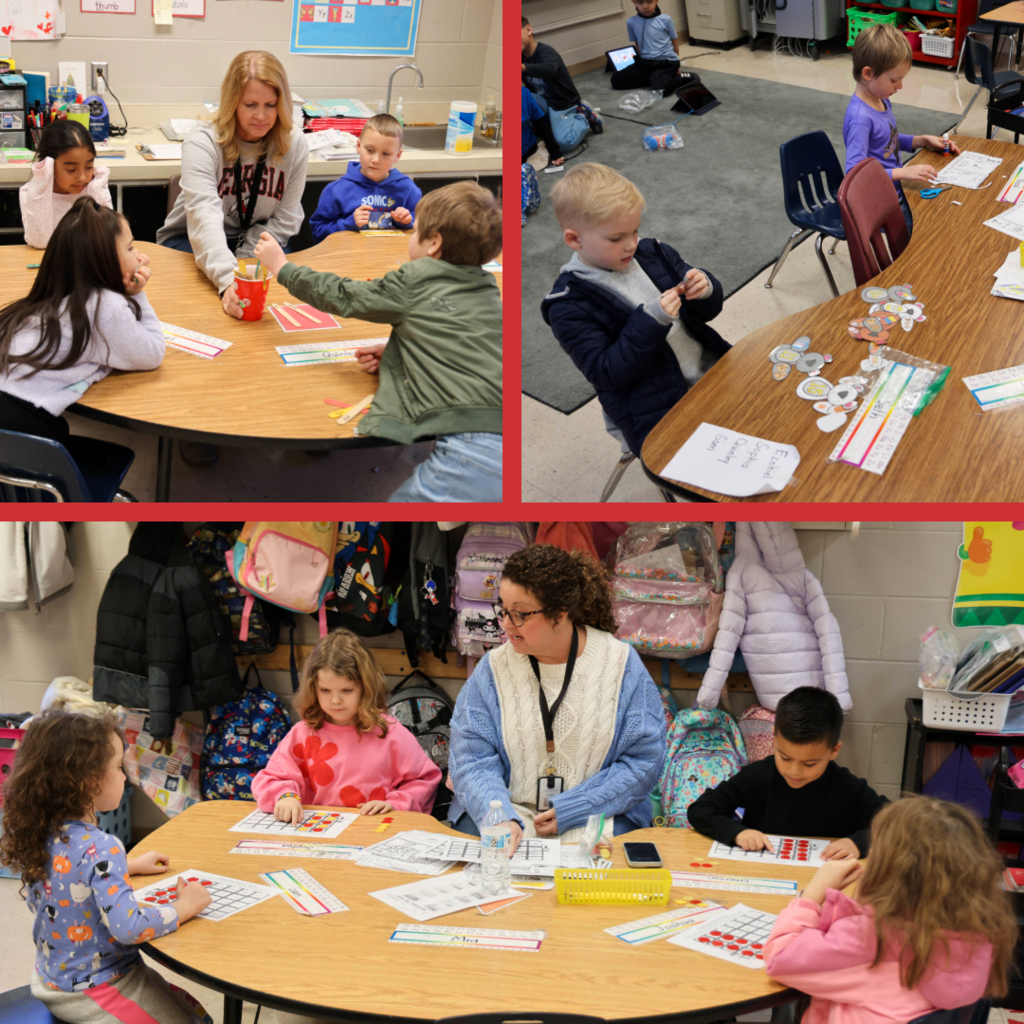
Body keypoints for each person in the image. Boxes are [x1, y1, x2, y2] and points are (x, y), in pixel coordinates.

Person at [253, 181, 502, 502]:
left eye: (415, 232)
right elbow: (467, 345)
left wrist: (282, 268)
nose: (411, 237)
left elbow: (345, 295)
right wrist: (403, 352)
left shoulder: (415, 279)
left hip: (471, 453)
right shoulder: (487, 288)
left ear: (433, 244)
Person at [446, 544, 666, 848]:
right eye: (503, 609)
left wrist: (577, 807)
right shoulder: (493, 669)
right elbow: (471, 758)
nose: (506, 624)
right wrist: (500, 816)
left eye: (520, 614)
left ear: (560, 615)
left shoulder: (621, 666)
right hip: (510, 816)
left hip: (597, 814)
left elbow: (644, 761)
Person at [0, 711, 212, 1024]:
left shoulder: (41, 829)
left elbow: (67, 869)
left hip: (51, 977)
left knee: (191, 1008)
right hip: (97, 988)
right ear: (88, 780)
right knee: (195, 1020)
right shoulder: (102, 846)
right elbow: (130, 928)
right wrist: (184, 906)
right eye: (118, 767)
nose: (125, 777)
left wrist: (129, 864)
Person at [764, 796, 1019, 1024]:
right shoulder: (977, 935)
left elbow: (780, 958)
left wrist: (812, 894)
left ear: (889, 873)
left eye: (876, 852)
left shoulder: (872, 939)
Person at [541, 162, 730, 458]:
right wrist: (651, 321)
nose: (631, 245)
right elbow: (607, 373)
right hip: (656, 411)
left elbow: (708, 312)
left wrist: (705, 288)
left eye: (635, 231)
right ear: (574, 239)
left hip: (715, 373)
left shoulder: (654, 253)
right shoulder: (568, 304)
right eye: (616, 238)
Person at [156, 50, 308, 321]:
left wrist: (243, 259)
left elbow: (286, 218)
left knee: (277, 306)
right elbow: (203, 216)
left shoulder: (294, 144)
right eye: (250, 105)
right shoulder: (202, 141)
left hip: (260, 241)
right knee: (203, 312)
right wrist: (229, 277)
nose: (261, 116)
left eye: (271, 105)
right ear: (232, 102)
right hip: (193, 240)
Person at [0, 197, 163, 443]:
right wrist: (138, 295)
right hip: (18, 421)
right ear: (103, 260)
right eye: (130, 248)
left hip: (10, 401)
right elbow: (152, 353)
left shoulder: (57, 288)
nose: (139, 255)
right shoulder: (103, 305)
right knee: (60, 438)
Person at [252, 628, 441, 817]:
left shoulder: (389, 732)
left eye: (347, 690)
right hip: (317, 835)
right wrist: (285, 797)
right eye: (325, 690)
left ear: (366, 688)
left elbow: (425, 779)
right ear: (313, 688)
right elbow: (270, 779)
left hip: (374, 832)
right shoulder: (302, 733)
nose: (335, 700)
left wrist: (396, 803)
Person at [689, 687, 888, 859]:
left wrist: (859, 843)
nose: (794, 771)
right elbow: (701, 809)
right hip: (763, 874)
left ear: (834, 751)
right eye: (784, 757)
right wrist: (737, 832)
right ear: (774, 740)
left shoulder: (847, 787)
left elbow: (897, 825)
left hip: (823, 880)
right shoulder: (757, 776)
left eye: (810, 763)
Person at [844, 24, 961, 236]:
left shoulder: (880, 99)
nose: (900, 87)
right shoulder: (860, 119)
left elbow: (888, 141)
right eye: (894, 80)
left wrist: (922, 140)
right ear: (868, 73)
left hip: (893, 192)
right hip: (876, 204)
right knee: (924, 235)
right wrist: (904, 173)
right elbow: (854, 174)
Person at [309, 113, 422, 241]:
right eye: (370, 150)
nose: (376, 160)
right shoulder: (336, 191)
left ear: (398, 155)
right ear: (358, 146)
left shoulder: (408, 190)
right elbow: (317, 233)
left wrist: (408, 220)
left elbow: (423, 227)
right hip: (349, 258)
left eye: (385, 153)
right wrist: (348, 223)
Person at [20, 120, 113, 250]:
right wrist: (42, 179)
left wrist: (97, 189)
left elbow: (108, 236)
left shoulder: (94, 187)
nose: (82, 178)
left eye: (89, 167)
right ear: (48, 165)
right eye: (71, 169)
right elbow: (40, 242)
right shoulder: (31, 192)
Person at [522, 16, 602, 157]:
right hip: (543, 102)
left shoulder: (546, 51)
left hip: (563, 103)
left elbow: (549, 69)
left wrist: (522, 67)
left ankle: (584, 115)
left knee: (564, 143)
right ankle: (548, 124)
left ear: (528, 29)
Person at [611, 1, 685, 97]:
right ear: (634, 3)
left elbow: (675, 43)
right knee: (616, 81)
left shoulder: (666, 19)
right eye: (640, 2)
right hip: (645, 63)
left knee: (661, 91)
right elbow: (637, 44)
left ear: (656, 1)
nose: (645, 6)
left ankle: (678, 78)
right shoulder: (631, 22)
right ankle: (654, 78)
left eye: (649, 1)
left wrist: (676, 66)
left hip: (665, 62)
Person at [522, 85, 563, 170]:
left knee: (565, 141)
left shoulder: (523, 93)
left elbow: (541, 123)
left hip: (527, 148)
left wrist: (554, 152)